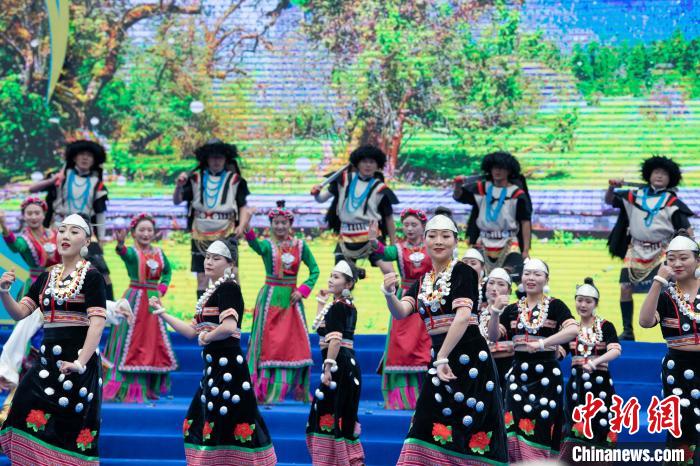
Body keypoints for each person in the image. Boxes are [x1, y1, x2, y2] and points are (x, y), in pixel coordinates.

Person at [383, 212, 508, 465]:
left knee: (472, 426)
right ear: (425, 241)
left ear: (455, 241)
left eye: (445, 236)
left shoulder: (464, 272)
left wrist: (441, 357)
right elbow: (401, 312)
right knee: (425, 421)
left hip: (469, 358)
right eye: (432, 236)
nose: (438, 241)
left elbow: (463, 316)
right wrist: (388, 294)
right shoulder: (424, 281)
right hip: (440, 358)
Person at [150, 241, 276, 465]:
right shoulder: (212, 292)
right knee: (209, 423)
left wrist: (207, 337)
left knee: (224, 424)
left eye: (216, 258)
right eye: (207, 257)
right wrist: (163, 313)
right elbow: (191, 332)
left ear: (230, 264)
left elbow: (228, 327)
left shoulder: (228, 288)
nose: (209, 261)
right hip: (214, 370)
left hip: (229, 370)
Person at [0, 214, 107, 465]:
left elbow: (97, 323)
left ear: (86, 241)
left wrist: (80, 363)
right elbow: (20, 313)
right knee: (21, 410)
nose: (65, 236)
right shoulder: (47, 277)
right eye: (62, 230)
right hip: (47, 363)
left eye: (74, 232)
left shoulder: (92, 276)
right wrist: (4, 292)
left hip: (77, 366)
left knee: (67, 431)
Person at [487, 258, 579, 461]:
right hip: (518, 375)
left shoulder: (555, 306)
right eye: (527, 273)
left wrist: (543, 343)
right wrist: (495, 312)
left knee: (543, 427)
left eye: (537, 274)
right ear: (521, 278)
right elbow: (493, 336)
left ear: (546, 279)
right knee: (514, 427)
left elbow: (573, 329)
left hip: (547, 376)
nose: (531, 278)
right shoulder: (512, 309)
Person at [606, 155, 694, 340]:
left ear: (671, 178)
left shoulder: (671, 202)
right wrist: (612, 187)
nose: (659, 176)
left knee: (671, 289)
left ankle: (677, 328)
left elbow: (687, 229)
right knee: (625, 287)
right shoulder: (634, 196)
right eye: (656, 172)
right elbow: (609, 200)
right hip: (635, 250)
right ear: (649, 175)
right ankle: (628, 330)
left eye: (664, 173)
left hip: (662, 252)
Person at [245, 201, 319, 403]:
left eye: (283, 223)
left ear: (290, 224)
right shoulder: (267, 246)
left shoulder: (300, 246)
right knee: (269, 343)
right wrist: (247, 222)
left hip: (292, 300)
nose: (279, 226)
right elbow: (254, 244)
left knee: (295, 342)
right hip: (270, 299)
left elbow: (315, 270)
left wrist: (303, 290)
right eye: (276, 223)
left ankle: (291, 387)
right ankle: (264, 389)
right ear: (271, 225)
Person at [639, 231, 699, 465]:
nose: (677, 263)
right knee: (682, 430)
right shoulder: (665, 297)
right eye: (671, 258)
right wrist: (658, 281)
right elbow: (645, 322)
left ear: (697, 260)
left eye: (683, 258)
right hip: (678, 371)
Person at [102, 213, 176, 402]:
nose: (146, 233)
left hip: (153, 302)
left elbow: (167, 272)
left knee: (151, 342)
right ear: (134, 233)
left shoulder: (159, 253)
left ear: (155, 232)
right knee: (131, 342)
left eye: (149, 230)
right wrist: (120, 244)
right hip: (134, 300)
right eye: (141, 230)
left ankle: (148, 386)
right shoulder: (133, 253)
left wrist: (162, 288)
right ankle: (125, 386)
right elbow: (124, 253)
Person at [29, 139, 113, 300]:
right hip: (58, 228)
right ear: (74, 157)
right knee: (52, 268)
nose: (85, 158)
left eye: (89, 155)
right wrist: (53, 180)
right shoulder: (62, 176)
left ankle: (107, 306)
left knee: (102, 270)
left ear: (94, 160)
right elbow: (32, 189)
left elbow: (100, 212)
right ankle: (39, 303)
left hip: (85, 231)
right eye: (81, 154)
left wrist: (101, 238)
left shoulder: (97, 183)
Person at [173, 139, 252, 298]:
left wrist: (242, 225)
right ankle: (202, 312)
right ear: (207, 159)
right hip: (200, 235)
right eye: (213, 157)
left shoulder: (235, 180)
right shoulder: (195, 179)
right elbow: (177, 201)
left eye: (220, 157)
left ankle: (233, 309)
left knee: (231, 274)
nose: (216, 161)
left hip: (226, 234)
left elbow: (243, 205)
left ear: (226, 159)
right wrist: (179, 186)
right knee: (202, 277)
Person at [372, 208, 432, 410]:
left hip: (428, 297)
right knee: (401, 344)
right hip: (405, 298)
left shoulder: (431, 246)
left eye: (414, 225)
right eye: (406, 225)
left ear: (423, 226)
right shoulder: (398, 249)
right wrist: (373, 240)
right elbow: (383, 251)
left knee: (425, 343)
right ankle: (403, 397)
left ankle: (427, 396)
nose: (410, 229)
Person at [306, 260, 365, 466]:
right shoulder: (344, 305)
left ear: (348, 284)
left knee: (332, 415)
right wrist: (321, 302)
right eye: (331, 275)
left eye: (336, 277)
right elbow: (322, 329)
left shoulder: (339, 307)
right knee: (337, 416)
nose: (331, 279)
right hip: (345, 366)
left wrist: (328, 367)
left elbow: (335, 340)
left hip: (339, 367)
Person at [559, 278, 621, 464]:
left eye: (588, 301)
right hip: (576, 387)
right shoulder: (571, 329)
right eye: (579, 300)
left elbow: (615, 351)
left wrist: (595, 363)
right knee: (574, 426)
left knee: (600, 425)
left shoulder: (605, 326)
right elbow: (560, 354)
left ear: (596, 304)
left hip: (600, 386)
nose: (583, 305)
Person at [311, 145, 398, 274]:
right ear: (357, 163)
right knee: (340, 275)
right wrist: (317, 193)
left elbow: (388, 218)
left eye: (372, 162)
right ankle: (354, 276)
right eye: (364, 161)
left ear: (377, 165)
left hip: (372, 237)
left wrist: (393, 244)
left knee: (389, 272)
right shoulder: (344, 180)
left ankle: (395, 291)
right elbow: (321, 199)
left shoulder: (380, 188)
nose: (368, 165)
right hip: (346, 237)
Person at [453, 151, 532, 282]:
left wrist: (525, 250)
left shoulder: (517, 194)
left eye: (501, 168)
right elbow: (459, 196)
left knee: (507, 280)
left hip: (508, 242)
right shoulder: (481, 188)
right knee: (475, 279)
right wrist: (457, 185)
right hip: (482, 241)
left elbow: (525, 222)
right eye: (494, 167)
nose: (497, 171)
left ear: (509, 170)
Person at [1, 197, 59, 293]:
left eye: (37, 213)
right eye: (29, 213)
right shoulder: (25, 240)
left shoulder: (56, 234)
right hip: (36, 284)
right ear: (24, 216)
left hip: (60, 281)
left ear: (44, 215)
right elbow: (15, 246)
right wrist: (3, 225)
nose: (33, 217)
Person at [478, 268, 514, 400]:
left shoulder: (513, 313)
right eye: (491, 283)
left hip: (506, 370)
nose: (494, 288)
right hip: (482, 369)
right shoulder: (477, 314)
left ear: (509, 291)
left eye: (501, 284)